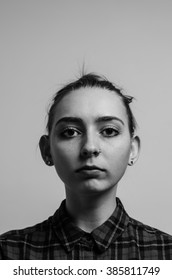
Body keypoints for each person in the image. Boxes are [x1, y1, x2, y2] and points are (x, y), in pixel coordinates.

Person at [0, 73, 172, 260]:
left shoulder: (166, 254)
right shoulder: (8, 253)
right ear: (47, 150)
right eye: (70, 132)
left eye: (109, 131)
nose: (90, 147)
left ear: (132, 149)